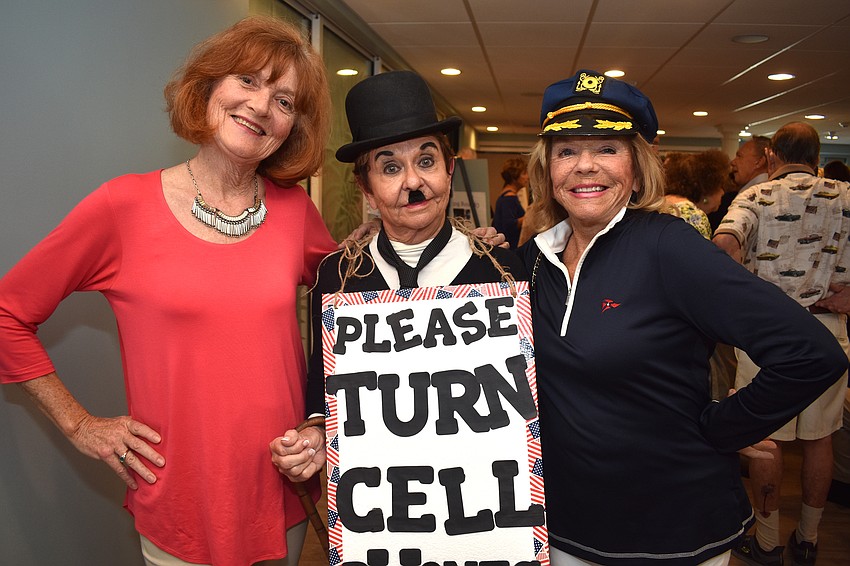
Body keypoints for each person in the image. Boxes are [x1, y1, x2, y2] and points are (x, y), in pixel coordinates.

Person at [0, 16, 337, 566]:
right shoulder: (122, 207)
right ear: (208, 87)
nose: (260, 106)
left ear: (291, 127)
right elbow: (7, 313)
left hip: (282, 494)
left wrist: (320, 425)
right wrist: (80, 424)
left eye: (284, 100)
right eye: (247, 80)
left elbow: (355, 312)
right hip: (179, 503)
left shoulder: (296, 212)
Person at [515, 69, 847, 566]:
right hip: (564, 525)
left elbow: (810, 354)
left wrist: (723, 428)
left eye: (607, 149)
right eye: (566, 151)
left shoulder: (668, 248)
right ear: (547, 170)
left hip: (671, 528)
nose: (585, 166)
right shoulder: (534, 261)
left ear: (637, 168)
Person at [268, 70, 528, 484]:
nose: (413, 182)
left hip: (480, 498)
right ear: (366, 189)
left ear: (449, 169)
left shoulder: (502, 273)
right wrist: (315, 435)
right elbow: (324, 391)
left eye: (426, 161)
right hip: (385, 504)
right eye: (390, 168)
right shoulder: (337, 277)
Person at [713, 122, 850, 566]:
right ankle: (808, 539)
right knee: (820, 439)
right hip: (827, 329)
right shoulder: (847, 195)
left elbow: (724, 244)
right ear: (816, 155)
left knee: (764, 439)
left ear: (771, 155)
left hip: (766, 334)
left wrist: (738, 297)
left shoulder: (756, 196)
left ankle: (767, 541)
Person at [662, 151, 730, 239]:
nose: (723, 192)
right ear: (708, 187)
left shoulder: (660, 204)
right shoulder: (695, 216)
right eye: (720, 186)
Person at [708, 136, 770, 231]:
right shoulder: (779, 196)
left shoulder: (740, 199)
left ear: (759, 162)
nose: (733, 162)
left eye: (739, 156)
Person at [493, 157, 529, 248]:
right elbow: (509, 225)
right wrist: (530, 216)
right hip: (509, 248)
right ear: (514, 176)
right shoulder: (509, 199)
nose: (527, 177)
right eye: (524, 173)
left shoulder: (505, 195)